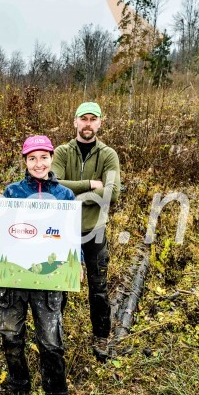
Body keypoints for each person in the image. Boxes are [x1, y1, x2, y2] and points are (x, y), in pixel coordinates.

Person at [0, 135, 79, 395]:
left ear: (51, 158)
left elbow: (72, 237)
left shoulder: (65, 196)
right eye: (32, 158)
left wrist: (76, 264)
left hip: (48, 282)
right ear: (25, 161)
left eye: (44, 157)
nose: (38, 163)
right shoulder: (12, 192)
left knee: (51, 340)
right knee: (11, 335)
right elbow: (4, 233)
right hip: (14, 279)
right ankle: (18, 386)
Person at [51, 102, 121, 362]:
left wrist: (76, 197)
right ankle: (54, 334)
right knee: (58, 285)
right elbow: (52, 183)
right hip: (62, 232)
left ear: (100, 123)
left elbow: (113, 193)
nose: (88, 123)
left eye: (93, 119)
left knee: (98, 287)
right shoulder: (61, 152)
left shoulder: (108, 155)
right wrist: (90, 185)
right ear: (75, 122)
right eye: (84, 118)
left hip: (94, 229)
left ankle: (101, 336)